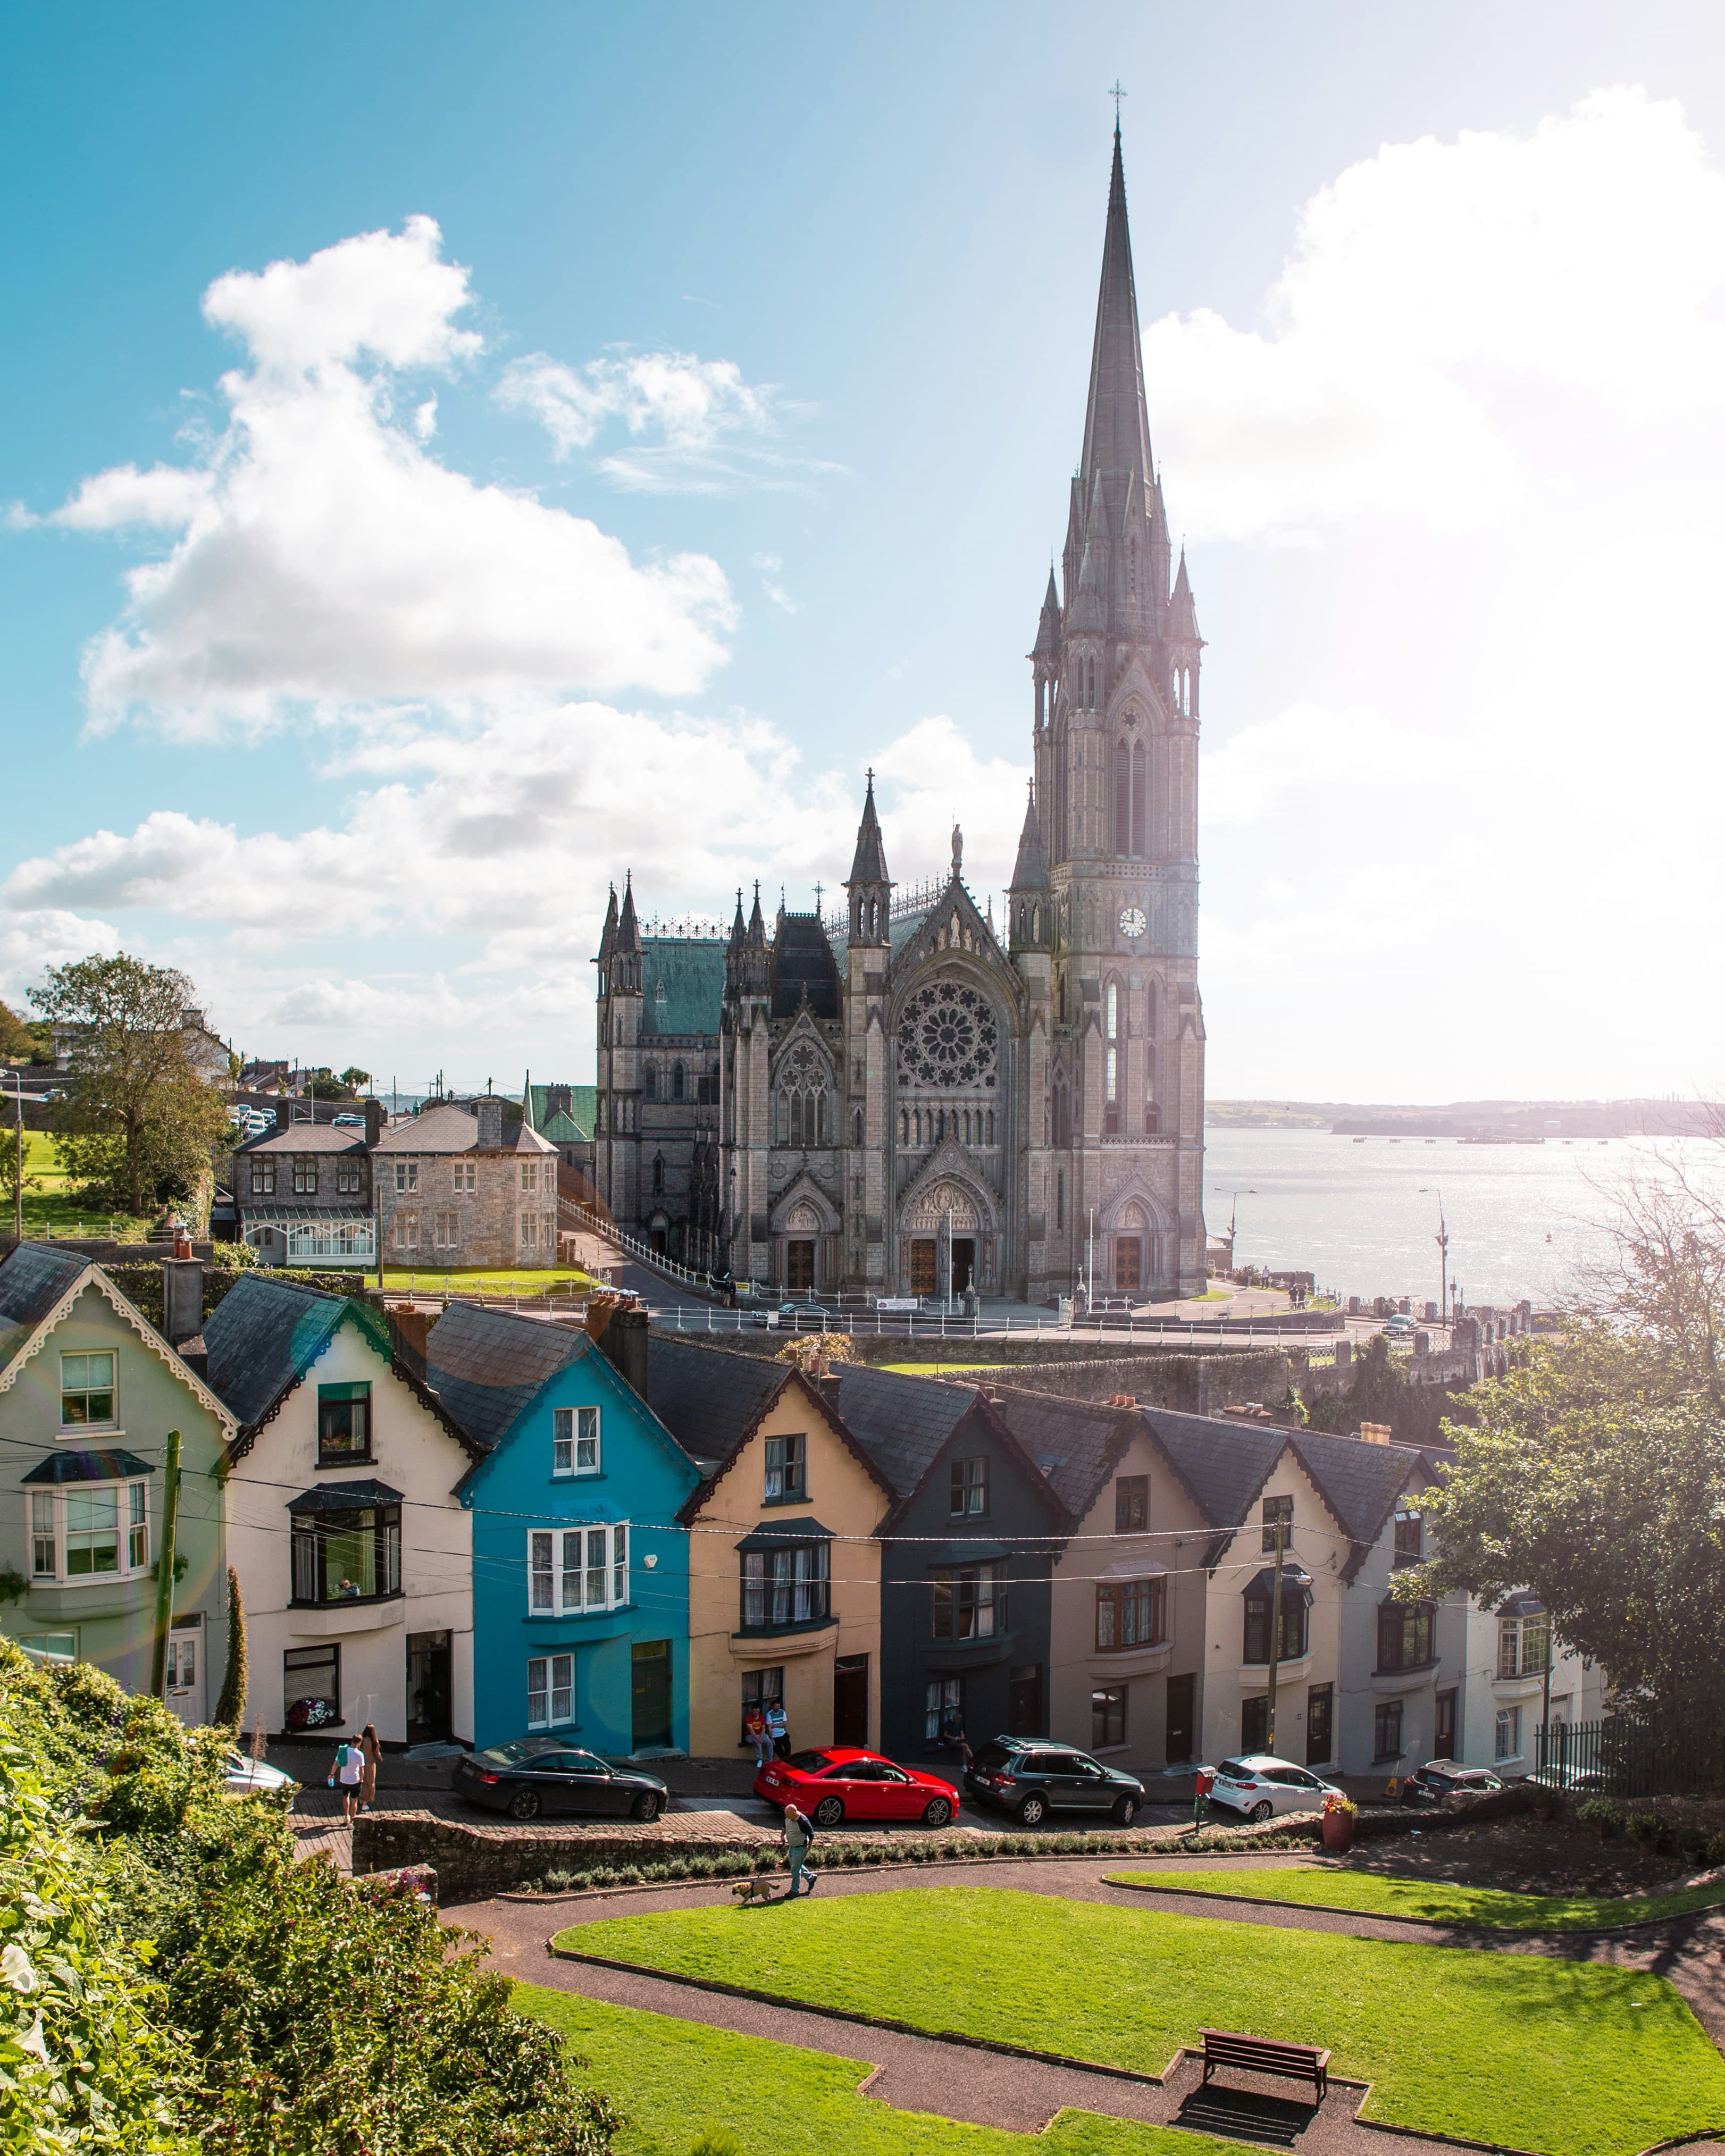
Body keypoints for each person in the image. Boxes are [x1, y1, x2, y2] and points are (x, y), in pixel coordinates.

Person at [783, 1802, 817, 1895]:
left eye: (788, 1814)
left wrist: (809, 1848)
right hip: (792, 1846)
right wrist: (783, 1836)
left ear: (794, 1813)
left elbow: (811, 1835)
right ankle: (811, 1877)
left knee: (795, 1870)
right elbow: (785, 1826)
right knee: (796, 1866)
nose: (786, 1816)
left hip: (800, 1848)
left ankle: (795, 1891)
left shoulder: (803, 1821)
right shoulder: (788, 1817)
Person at [334, 1736, 364, 1823]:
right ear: (359, 1743)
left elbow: (336, 1763)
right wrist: (362, 1779)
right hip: (355, 1780)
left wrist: (332, 1774)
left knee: (345, 1797)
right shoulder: (359, 1754)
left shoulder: (343, 1751)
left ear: (351, 1741)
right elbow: (362, 1769)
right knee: (354, 1800)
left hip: (344, 1779)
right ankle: (352, 1820)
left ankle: (346, 1816)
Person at [358, 1723, 381, 1815]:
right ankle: (365, 1803)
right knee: (369, 1783)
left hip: (360, 1763)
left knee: (360, 1782)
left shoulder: (362, 1740)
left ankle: (358, 1798)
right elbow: (377, 1754)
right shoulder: (374, 1742)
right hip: (370, 1764)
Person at [744, 1702, 772, 1769]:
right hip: (750, 1736)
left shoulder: (762, 1717)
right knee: (757, 1743)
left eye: (758, 1711)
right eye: (755, 1711)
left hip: (760, 1735)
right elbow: (751, 1730)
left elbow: (763, 1728)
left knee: (769, 1742)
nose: (756, 1713)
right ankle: (760, 1759)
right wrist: (758, 1739)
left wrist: (761, 1738)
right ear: (752, 1711)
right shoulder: (749, 1718)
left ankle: (770, 1760)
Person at [1192, 1763, 1215, 1833]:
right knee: (1199, 1809)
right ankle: (1197, 1826)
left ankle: (1197, 1827)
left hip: (1202, 1793)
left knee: (1200, 1810)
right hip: (1202, 1793)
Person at [766, 1697, 789, 1761]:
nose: (778, 1708)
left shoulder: (783, 1712)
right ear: (773, 1706)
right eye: (776, 1707)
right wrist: (772, 1739)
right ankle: (784, 1761)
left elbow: (784, 1725)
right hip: (775, 1736)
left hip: (783, 1733)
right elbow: (769, 1728)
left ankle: (786, 1761)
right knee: (779, 1751)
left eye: (779, 1707)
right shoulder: (769, 1714)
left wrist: (774, 1725)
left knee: (788, 1748)